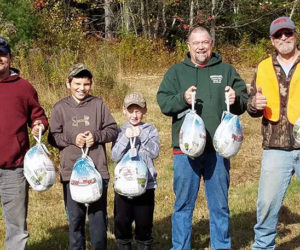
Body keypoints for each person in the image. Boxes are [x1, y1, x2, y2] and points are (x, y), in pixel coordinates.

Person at [157, 26, 248, 250]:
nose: (200, 46)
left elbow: (244, 101)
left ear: (211, 44)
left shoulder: (226, 70)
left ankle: (221, 246)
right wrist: (182, 98)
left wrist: (236, 98)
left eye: (205, 42)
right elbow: (163, 102)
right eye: (196, 42)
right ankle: (180, 247)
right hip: (185, 150)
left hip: (218, 150)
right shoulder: (176, 72)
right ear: (188, 46)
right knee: (183, 204)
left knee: (219, 205)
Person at [48, 63, 118, 250]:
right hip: (72, 174)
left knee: (98, 220)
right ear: (68, 83)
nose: (82, 88)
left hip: (97, 171)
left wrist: (96, 136)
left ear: (91, 84)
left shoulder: (98, 104)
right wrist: (73, 139)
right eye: (77, 83)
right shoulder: (60, 108)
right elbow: (53, 137)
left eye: (86, 84)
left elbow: (113, 130)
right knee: (76, 220)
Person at [247, 16, 300, 250]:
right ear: (272, 40)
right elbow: (251, 104)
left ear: (296, 34)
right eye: (278, 35)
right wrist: (254, 104)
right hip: (275, 148)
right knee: (267, 204)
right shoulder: (263, 66)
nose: (283, 38)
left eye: (287, 33)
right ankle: (263, 246)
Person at [0, 36, 48, 250]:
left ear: (9, 57)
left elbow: (38, 116)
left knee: (17, 226)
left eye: (2, 54)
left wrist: (39, 125)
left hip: (14, 168)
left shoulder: (24, 87)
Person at [111, 92, 160, 250]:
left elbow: (154, 152)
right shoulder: (119, 131)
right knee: (122, 222)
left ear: (145, 111)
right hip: (123, 187)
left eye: (138, 110)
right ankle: (124, 244)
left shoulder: (150, 129)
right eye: (130, 111)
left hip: (146, 186)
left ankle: (143, 244)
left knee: (144, 224)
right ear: (124, 111)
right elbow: (114, 155)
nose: (134, 115)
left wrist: (141, 135)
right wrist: (126, 137)